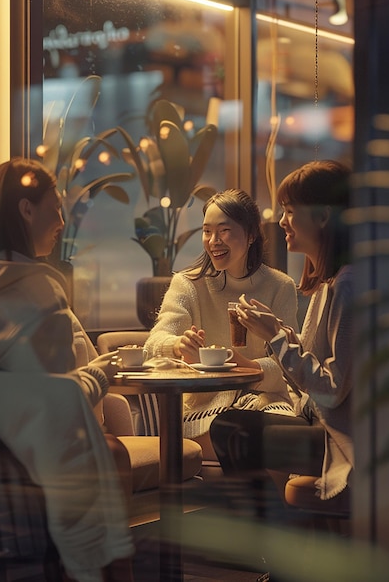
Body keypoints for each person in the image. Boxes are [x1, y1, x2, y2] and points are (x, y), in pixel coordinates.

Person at [0, 157, 133, 582]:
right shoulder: (37, 290)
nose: (61, 220)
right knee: (112, 454)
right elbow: (53, 403)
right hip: (20, 470)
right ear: (26, 209)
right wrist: (100, 373)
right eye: (55, 207)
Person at [209, 159, 353, 516]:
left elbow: (332, 389)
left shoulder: (348, 285)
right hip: (321, 422)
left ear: (321, 216)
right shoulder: (330, 282)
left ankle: (276, 553)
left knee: (234, 431)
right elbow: (316, 371)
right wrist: (278, 332)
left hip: (346, 439)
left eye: (289, 211)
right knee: (230, 425)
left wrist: (276, 337)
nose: (282, 221)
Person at [144, 188, 299, 442]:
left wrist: (248, 366)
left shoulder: (279, 286)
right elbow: (152, 346)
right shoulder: (189, 284)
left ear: (250, 235)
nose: (214, 241)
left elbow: (289, 366)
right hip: (206, 407)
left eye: (224, 231)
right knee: (239, 432)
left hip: (266, 402)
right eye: (207, 231)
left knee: (272, 431)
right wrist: (177, 345)